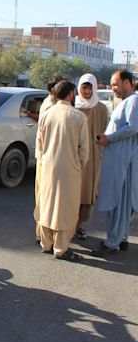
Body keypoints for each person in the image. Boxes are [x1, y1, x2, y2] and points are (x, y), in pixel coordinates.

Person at [34, 80, 89, 261]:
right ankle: (61, 248)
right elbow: (84, 151)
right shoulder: (78, 116)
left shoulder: (47, 114)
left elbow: (39, 146)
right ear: (71, 94)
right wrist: (78, 166)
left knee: (46, 205)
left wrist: (43, 163)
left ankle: (46, 243)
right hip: (69, 169)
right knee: (66, 209)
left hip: (47, 167)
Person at [92, 70, 138, 256]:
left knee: (120, 203)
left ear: (127, 82)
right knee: (121, 203)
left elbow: (132, 128)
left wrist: (108, 138)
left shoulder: (133, 101)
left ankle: (112, 243)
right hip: (120, 160)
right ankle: (121, 238)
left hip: (124, 162)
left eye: (115, 84)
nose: (113, 89)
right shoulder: (126, 102)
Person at [73, 73, 108, 240]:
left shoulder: (101, 108)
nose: (86, 91)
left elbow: (105, 133)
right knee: (71, 194)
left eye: (89, 87)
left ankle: (78, 226)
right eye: (84, 87)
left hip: (93, 159)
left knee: (87, 196)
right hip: (73, 157)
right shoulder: (72, 106)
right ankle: (67, 227)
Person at [33, 76, 64, 243]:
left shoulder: (49, 103)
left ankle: (43, 233)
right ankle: (43, 234)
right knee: (46, 198)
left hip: (43, 156)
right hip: (46, 158)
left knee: (44, 197)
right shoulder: (51, 106)